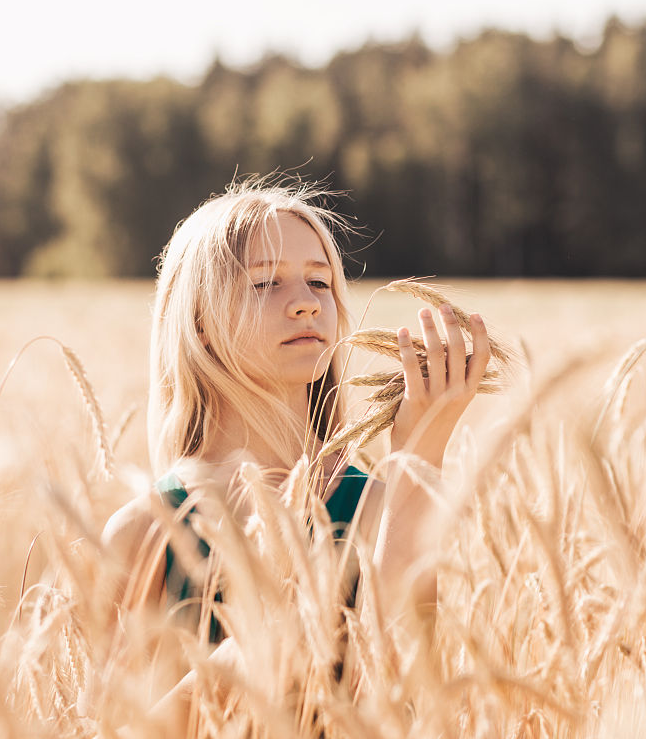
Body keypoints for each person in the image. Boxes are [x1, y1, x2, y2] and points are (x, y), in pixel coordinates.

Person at [100, 177, 491, 729]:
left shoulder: (378, 505)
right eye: (265, 284)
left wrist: (418, 458)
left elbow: (410, 691)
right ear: (200, 324)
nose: (306, 304)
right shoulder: (144, 533)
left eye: (320, 282)